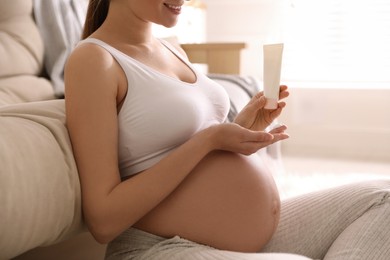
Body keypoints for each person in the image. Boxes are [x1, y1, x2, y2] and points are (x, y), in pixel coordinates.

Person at [64, 0, 390, 259]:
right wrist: (210, 140)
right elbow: (103, 220)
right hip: (158, 248)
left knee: (382, 198)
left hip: (232, 240)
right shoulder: (94, 60)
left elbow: (183, 150)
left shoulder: (172, 49)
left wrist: (239, 128)